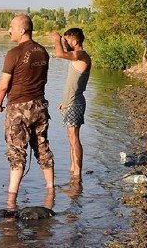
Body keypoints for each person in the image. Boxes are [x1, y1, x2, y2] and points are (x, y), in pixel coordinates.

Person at [0, 14, 54, 197]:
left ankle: (12, 196)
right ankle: (51, 189)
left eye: (11, 27)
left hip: (19, 108)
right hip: (40, 106)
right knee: (42, 147)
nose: (8, 30)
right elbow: (44, 79)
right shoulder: (43, 51)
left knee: (16, 152)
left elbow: (3, 85)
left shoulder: (14, 54)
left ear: (22, 30)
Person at [50, 28, 91, 180]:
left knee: (74, 137)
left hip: (76, 103)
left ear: (75, 41)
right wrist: (64, 102)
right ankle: (73, 170)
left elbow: (59, 54)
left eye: (66, 40)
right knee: (70, 138)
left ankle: (77, 174)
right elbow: (72, 84)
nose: (65, 43)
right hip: (70, 102)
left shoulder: (81, 55)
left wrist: (56, 39)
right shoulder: (77, 57)